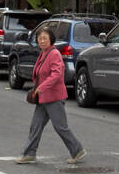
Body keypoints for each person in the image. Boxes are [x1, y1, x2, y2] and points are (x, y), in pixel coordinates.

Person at [15, 26, 87, 165]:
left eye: (45, 39)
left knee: (60, 127)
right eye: (40, 38)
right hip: (43, 98)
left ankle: (77, 150)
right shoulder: (43, 53)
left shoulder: (54, 54)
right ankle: (30, 154)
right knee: (35, 126)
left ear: (51, 40)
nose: (42, 41)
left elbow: (56, 74)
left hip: (54, 97)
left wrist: (41, 87)